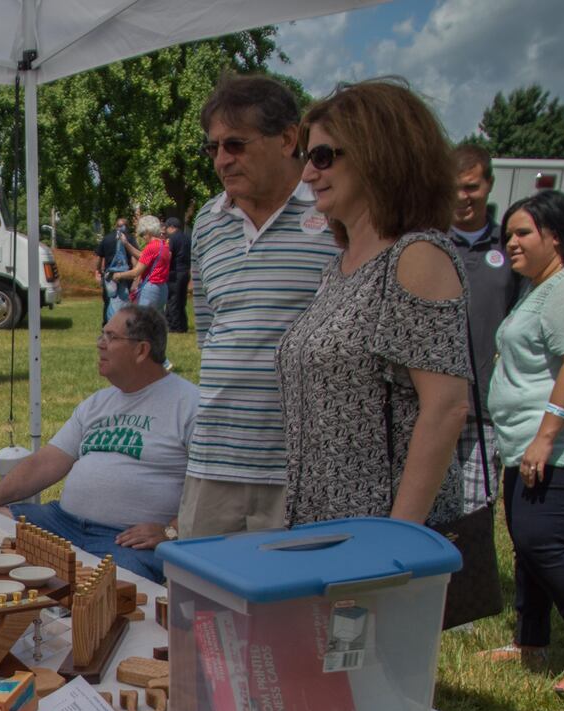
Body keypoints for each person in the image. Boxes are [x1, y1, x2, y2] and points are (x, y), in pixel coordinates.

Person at [274, 80, 471, 528]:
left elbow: (445, 407)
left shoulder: (417, 256)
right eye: (307, 158)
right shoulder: (337, 269)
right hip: (325, 529)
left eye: (322, 157)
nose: (307, 174)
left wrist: (398, 538)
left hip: (382, 542)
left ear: (379, 155)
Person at [181, 74, 340, 538]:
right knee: (206, 603)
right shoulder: (208, 223)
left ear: (289, 138)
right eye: (212, 148)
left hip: (298, 465)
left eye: (236, 144)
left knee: (292, 606)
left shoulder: (335, 214)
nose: (222, 160)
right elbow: (210, 333)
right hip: (214, 459)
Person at [0, 305, 196, 583]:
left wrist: (171, 532)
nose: (100, 344)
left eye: (111, 337)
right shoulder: (98, 402)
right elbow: (44, 464)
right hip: (62, 522)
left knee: (109, 596)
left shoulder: (189, 405)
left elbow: (211, 492)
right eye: (101, 335)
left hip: (123, 541)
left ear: (142, 350)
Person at [480, 190, 564, 696]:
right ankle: (530, 640)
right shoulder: (537, 288)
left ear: (555, 236)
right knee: (528, 548)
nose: (511, 242)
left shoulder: (561, 290)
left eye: (523, 233)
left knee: (542, 541)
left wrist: (546, 436)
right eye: (508, 234)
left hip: (551, 449)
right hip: (524, 445)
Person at [450, 145, 523, 512]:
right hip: (433, 403)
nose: (462, 197)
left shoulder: (510, 248)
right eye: (454, 187)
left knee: (475, 509)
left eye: (471, 187)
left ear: (489, 185)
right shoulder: (429, 244)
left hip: (486, 407)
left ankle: (471, 572)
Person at [111, 216, 170, 309]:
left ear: (148, 231)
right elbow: (144, 257)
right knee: (156, 321)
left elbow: (135, 273)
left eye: (143, 234)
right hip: (162, 289)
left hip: (151, 290)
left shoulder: (151, 247)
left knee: (143, 321)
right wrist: (126, 243)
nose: (143, 238)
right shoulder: (163, 245)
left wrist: (118, 275)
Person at [95, 216, 135, 323]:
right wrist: (135, 273)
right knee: (125, 300)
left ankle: (107, 325)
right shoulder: (129, 239)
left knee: (108, 300)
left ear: (115, 226)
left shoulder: (107, 238)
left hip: (109, 276)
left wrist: (98, 271)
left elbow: (99, 257)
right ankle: (124, 325)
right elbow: (133, 257)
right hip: (126, 275)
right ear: (127, 227)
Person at [162, 218, 191, 332]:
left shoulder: (172, 238)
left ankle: (174, 326)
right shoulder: (187, 238)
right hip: (185, 272)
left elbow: (168, 255)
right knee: (181, 300)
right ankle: (183, 325)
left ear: (171, 227)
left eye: (167, 227)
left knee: (173, 300)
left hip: (175, 273)